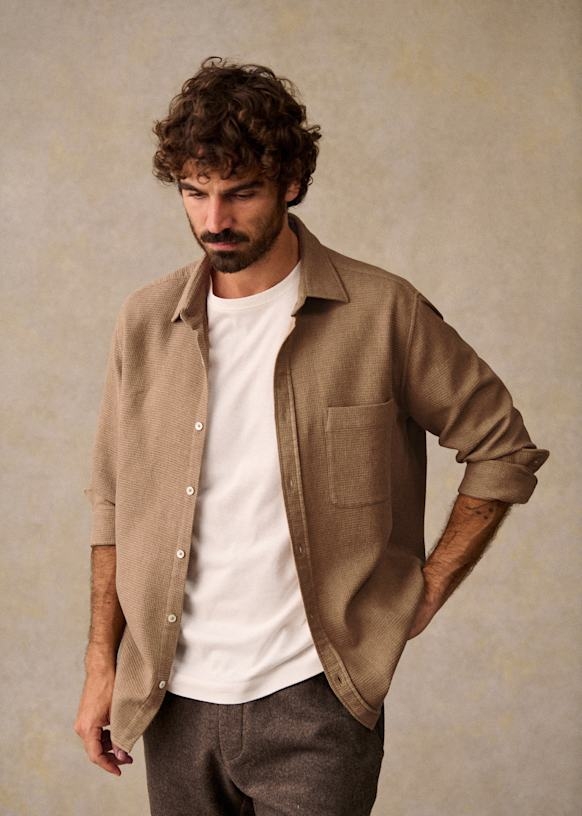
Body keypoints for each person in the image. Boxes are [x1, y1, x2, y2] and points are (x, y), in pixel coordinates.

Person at [74, 57, 549, 815]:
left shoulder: (382, 312)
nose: (214, 219)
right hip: (172, 702)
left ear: (291, 182)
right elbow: (111, 505)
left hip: (313, 702)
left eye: (241, 192)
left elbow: (503, 448)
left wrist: (425, 591)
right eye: (195, 192)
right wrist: (102, 665)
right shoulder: (145, 322)